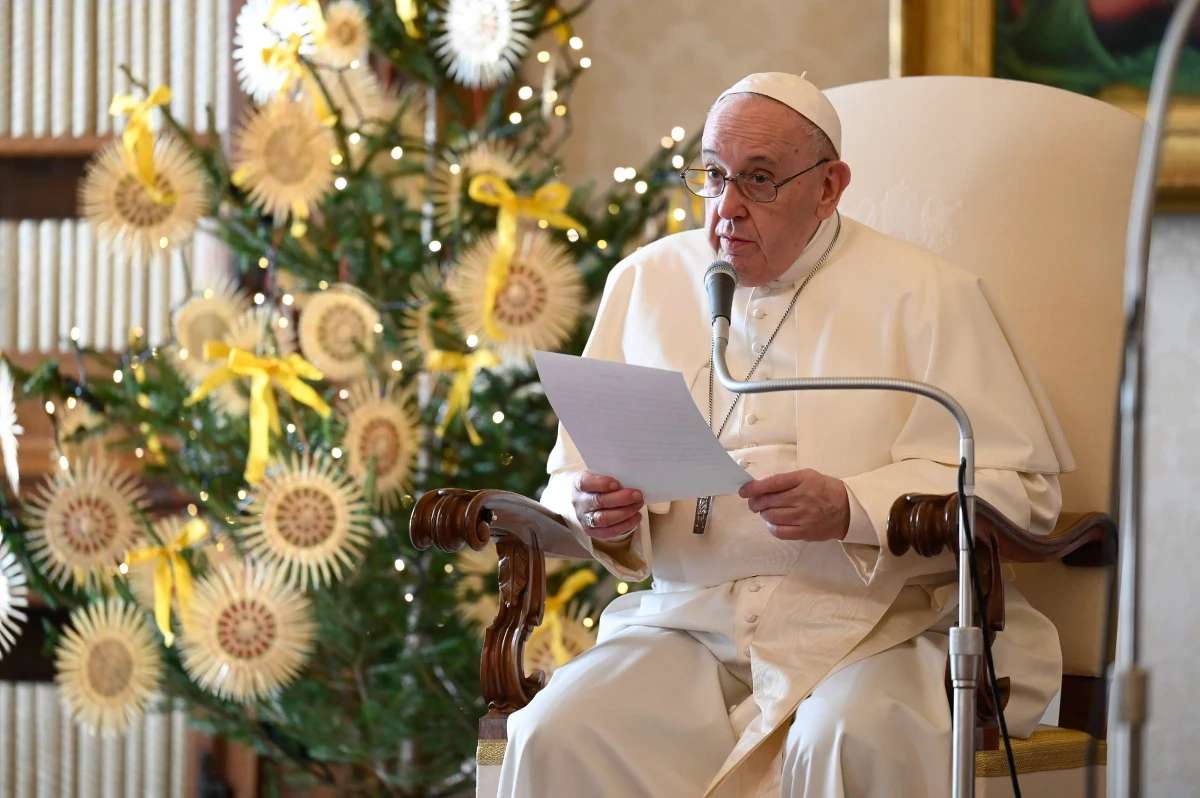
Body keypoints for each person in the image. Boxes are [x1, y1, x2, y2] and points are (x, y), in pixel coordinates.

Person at [497, 72, 1070, 798]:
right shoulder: (644, 282)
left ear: (830, 187)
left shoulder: (928, 294)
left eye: (759, 181)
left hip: (884, 626)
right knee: (560, 730)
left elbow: (1022, 492)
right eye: (712, 176)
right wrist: (597, 512)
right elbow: (568, 472)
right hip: (690, 623)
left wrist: (853, 508)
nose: (725, 210)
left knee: (842, 737)